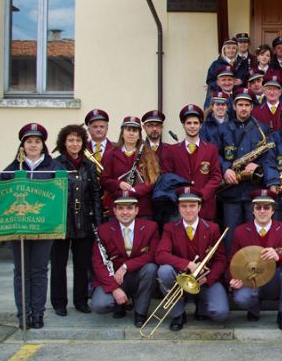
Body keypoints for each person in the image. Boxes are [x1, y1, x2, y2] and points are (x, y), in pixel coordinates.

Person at [0, 123, 64, 329]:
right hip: (19, 228)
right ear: (22, 145)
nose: (33, 145)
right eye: (29, 141)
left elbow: (66, 190)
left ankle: (38, 314)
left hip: (45, 228)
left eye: (37, 141)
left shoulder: (54, 167)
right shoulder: (13, 169)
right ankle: (23, 314)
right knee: (21, 272)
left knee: (39, 270)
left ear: (43, 145)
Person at [155, 187, 229, 330]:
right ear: (178, 207)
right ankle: (178, 314)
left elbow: (221, 260)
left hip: (204, 279)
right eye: (184, 206)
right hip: (179, 278)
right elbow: (160, 255)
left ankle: (201, 304)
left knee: (220, 313)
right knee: (164, 271)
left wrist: (208, 278)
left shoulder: (212, 228)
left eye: (192, 206)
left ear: (199, 207)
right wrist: (188, 264)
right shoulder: (170, 228)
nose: (188, 210)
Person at [50, 124, 103, 317]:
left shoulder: (89, 166)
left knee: (82, 264)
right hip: (61, 222)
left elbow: (95, 195)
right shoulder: (55, 165)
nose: (74, 144)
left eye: (78, 140)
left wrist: (98, 223)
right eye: (71, 140)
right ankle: (59, 302)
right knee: (58, 265)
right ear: (63, 143)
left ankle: (80, 301)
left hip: (84, 222)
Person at [229, 190, 282, 331]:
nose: (262, 211)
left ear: (273, 211)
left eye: (266, 207)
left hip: (275, 280)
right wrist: (232, 279)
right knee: (241, 298)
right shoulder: (240, 231)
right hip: (252, 280)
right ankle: (254, 308)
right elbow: (232, 259)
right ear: (253, 211)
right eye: (258, 207)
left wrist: (279, 257)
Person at [91, 195, 159, 327]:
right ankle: (119, 304)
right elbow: (98, 263)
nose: (125, 212)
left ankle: (140, 312)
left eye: (129, 208)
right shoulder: (103, 230)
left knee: (151, 268)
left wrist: (127, 265)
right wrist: (114, 289)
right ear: (114, 211)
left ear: (136, 210)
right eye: (120, 208)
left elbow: (153, 254)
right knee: (100, 305)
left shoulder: (151, 227)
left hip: (137, 275)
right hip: (114, 278)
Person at [218, 92, 271, 251]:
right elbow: (214, 153)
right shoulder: (223, 129)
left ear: (252, 107)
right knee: (230, 235)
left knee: (253, 235)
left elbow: (269, 156)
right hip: (230, 191)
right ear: (234, 107)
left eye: (247, 105)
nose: (243, 108)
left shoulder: (262, 129)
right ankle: (231, 266)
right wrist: (225, 169)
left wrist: (257, 165)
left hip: (252, 191)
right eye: (240, 105)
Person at [162, 104, 222, 222]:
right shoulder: (172, 150)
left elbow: (216, 177)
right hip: (181, 208)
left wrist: (201, 195)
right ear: (183, 125)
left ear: (201, 125)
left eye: (195, 123)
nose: (192, 126)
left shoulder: (211, 149)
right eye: (189, 123)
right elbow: (167, 179)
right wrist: (182, 197)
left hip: (204, 207)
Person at [100, 116, 160, 219]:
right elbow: (104, 179)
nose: (131, 134)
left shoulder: (148, 154)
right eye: (128, 130)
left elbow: (151, 180)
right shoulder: (110, 154)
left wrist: (133, 190)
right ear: (122, 133)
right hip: (118, 206)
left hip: (142, 208)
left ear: (139, 135)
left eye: (135, 131)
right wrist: (119, 184)